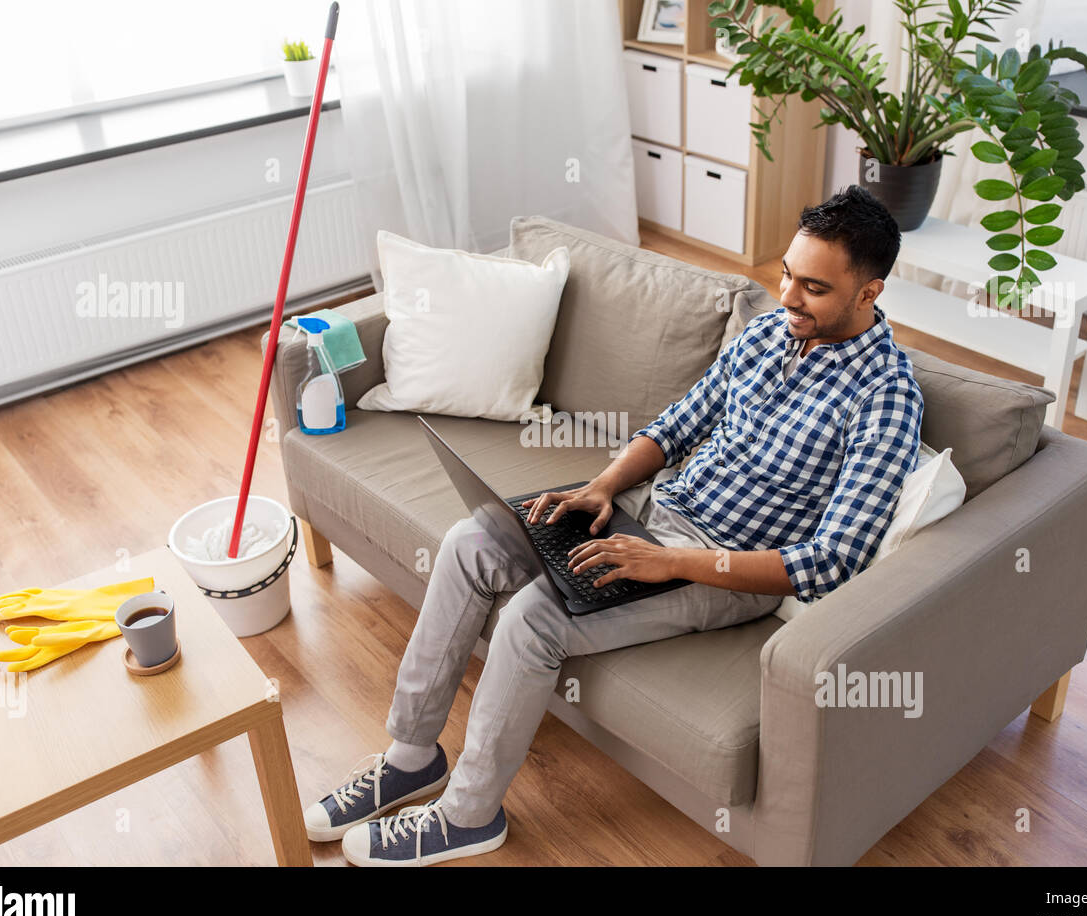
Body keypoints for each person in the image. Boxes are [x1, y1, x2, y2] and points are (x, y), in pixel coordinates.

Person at [303, 184, 924, 866]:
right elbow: (680, 422)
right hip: (651, 510)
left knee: (536, 617)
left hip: (723, 567)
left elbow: (832, 559)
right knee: (471, 541)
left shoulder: (885, 397)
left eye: (814, 288)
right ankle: (411, 756)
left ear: (870, 292)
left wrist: (674, 564)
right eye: (785, 274)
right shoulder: (769, 334)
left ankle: (468, 815)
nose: (787, 298)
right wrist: (600, 488)